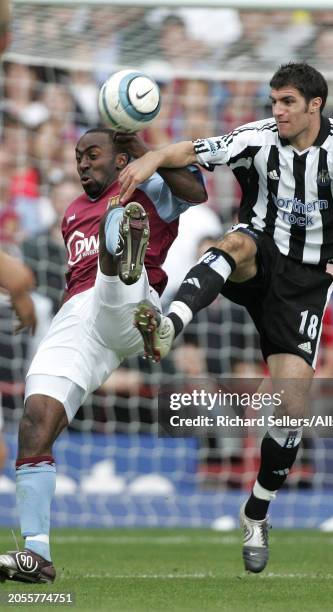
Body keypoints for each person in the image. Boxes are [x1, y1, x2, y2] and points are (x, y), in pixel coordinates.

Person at [118, 62, 333, 573]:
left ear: (315, 105)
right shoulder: (257, 138)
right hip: (261, 252)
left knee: (291, 413)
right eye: (273, 101)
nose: (277, 111)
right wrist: (154, 157)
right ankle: (169, 324)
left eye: (287, 102)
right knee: (234, 242)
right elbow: (196, 150)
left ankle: (256, 513)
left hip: (307, 283)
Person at [0, 128, 206, 584]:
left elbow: (198, 190)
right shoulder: (72, 212)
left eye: (93, 155)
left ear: (119, 160)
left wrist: (144, 152)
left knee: (114, 279)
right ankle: (37, 555)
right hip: (79, 316)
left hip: (133, 305)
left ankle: (122, 251)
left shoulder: (151, 187)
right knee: (35, 417)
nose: (82, 164)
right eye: (77, 157)